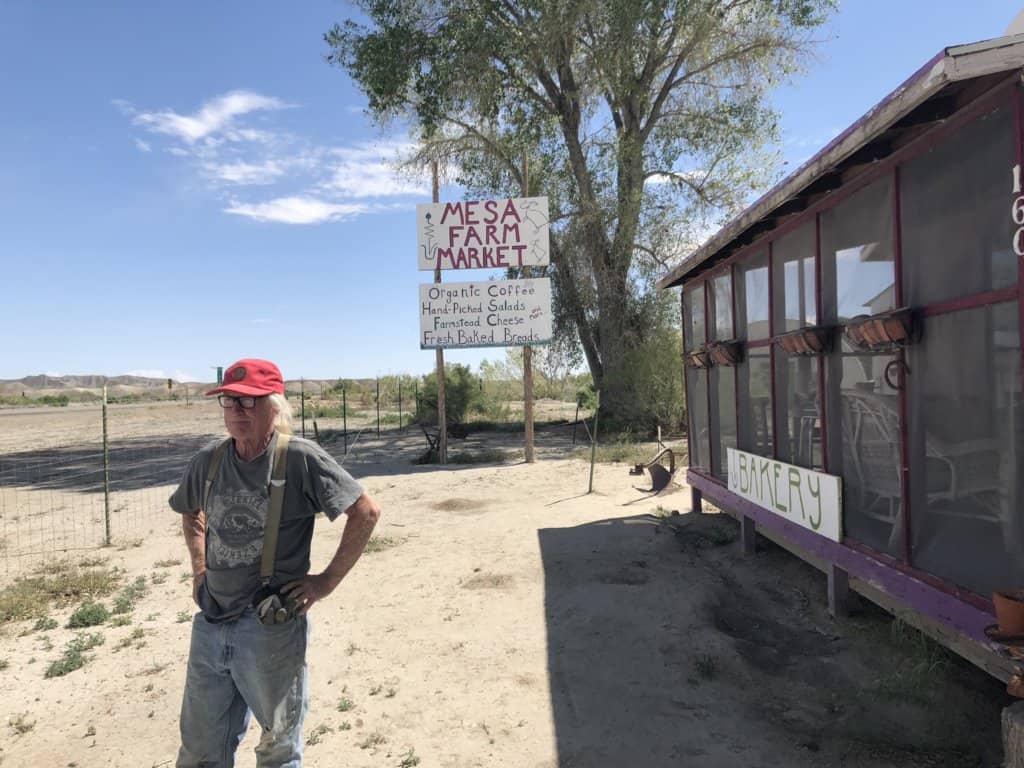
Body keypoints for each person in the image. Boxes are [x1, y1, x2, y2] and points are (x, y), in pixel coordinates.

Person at [169, 358, 381, 767]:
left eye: (248, 403)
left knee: (277, 750)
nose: (236, 412)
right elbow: (189, 512)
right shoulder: (208, 461)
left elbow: (366, 512)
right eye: (229, 402)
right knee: (199, 750)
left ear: (274, 406)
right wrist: (199, 570)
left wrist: (325, 582)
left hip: (270, 628)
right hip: (212, 621)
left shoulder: (299, 459)